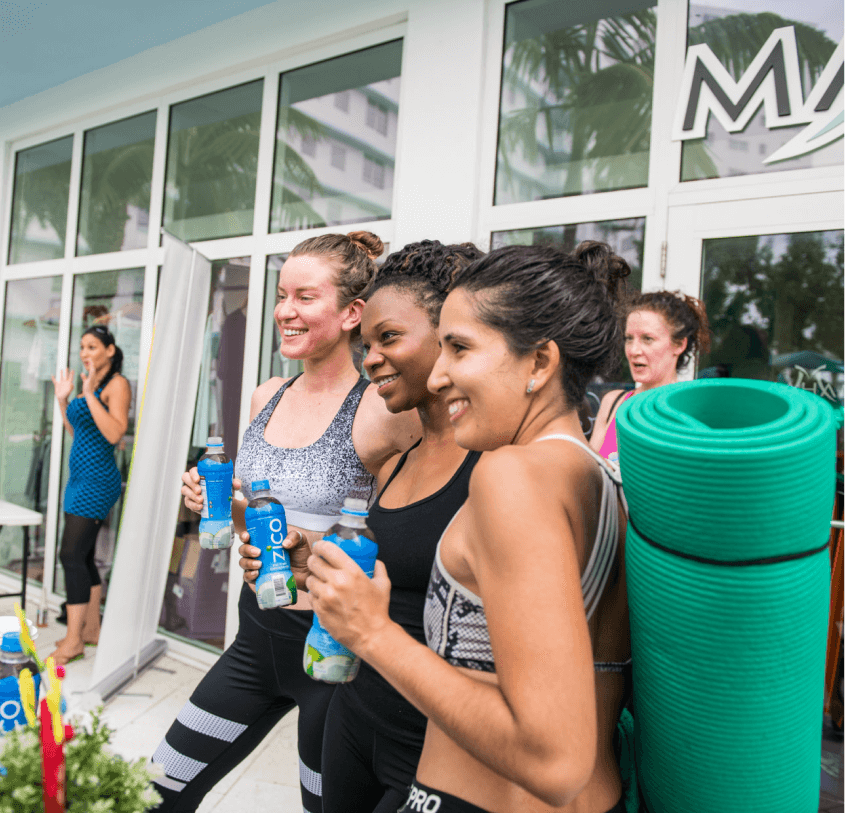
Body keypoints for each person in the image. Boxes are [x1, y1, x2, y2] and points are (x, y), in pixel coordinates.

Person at [307, 241, 633, 813]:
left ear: (539, 362)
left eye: (459, 348)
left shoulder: (512, 475)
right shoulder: (596, 476)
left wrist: (372, 633)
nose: (438, 377)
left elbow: (554, 762)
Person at [151, 231, 420, 813]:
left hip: (333, 656)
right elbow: (259, 517)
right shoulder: (266, 395)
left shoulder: (380, 410)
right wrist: (213, 500)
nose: (284, 312)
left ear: (353, 312)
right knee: (161, 788)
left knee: (323, 808)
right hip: (257, 637)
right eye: (281, 295)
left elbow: (404, 539)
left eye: (304, 297)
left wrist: (312, 545)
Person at [240, 240, 485, 812]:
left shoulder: (492, 467)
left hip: (425, 744)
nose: (370, 357)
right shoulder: (402, 459)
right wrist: (309, 563)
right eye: (369, 343)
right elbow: (383, 568)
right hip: (355, 713)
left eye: (388, 339)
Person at [50, 324, 130, 666]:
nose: (85, 353)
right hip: (78, 479)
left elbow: (114, 432)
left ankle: (73, 641)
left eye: (93, 346)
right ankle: (91, 630)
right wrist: (64, 399)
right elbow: (77, 430)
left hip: (98, 481)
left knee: (69, 555)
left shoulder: (117, 384)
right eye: (82, 347)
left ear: (110, 350)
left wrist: (89, 394)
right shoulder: (91, 385)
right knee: (81, 557)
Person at [590, 290, 710, 465]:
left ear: (679, 345)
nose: (633, 350)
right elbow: (590, 477)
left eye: (647, 339)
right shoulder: (613, 402)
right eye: (629, 339)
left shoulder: (692, 411)